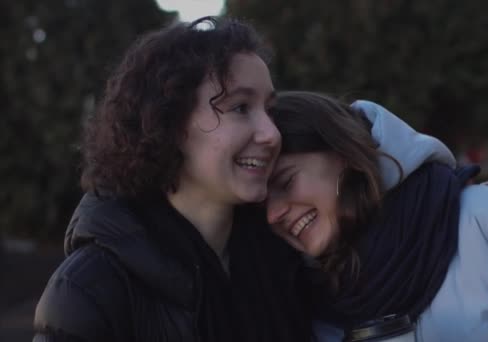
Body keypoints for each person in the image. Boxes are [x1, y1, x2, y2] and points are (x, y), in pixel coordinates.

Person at [33, 17, 311, 341]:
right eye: (240, 108)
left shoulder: (284, 261)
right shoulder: (90, 289)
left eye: (269, 110)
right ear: (169, 123)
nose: (271, 133)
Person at [266, 91, 488, 342]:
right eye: (260, 206)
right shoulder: (306, 307)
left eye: (286, 182)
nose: (274, 214)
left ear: (340, 152)